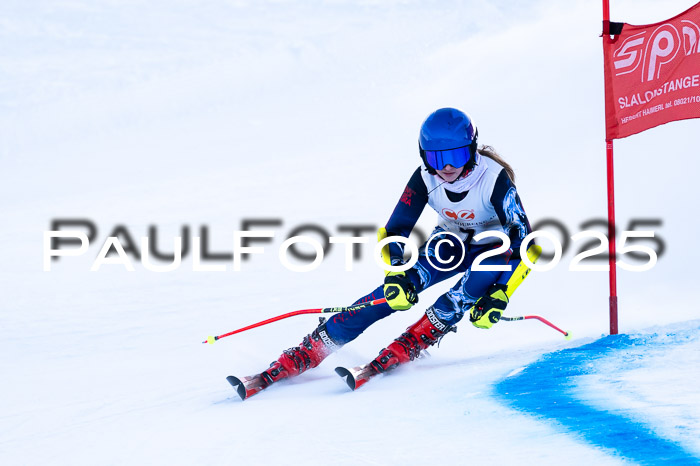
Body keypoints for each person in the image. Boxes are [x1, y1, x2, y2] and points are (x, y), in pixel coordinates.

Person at [258, 107, 532, 388]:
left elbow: (526, 243)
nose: (447, 167)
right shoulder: (425, 177)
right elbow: (395, 231)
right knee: (394, 293)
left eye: (456, 156)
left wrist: (501, 293)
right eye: (437, 158)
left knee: (473, 283)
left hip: (495, 247)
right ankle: (313, 347)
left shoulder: (494, 179)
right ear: (424, 155)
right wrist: (396, 274)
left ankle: (414, 341)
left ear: (472, 150)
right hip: (452, 240)